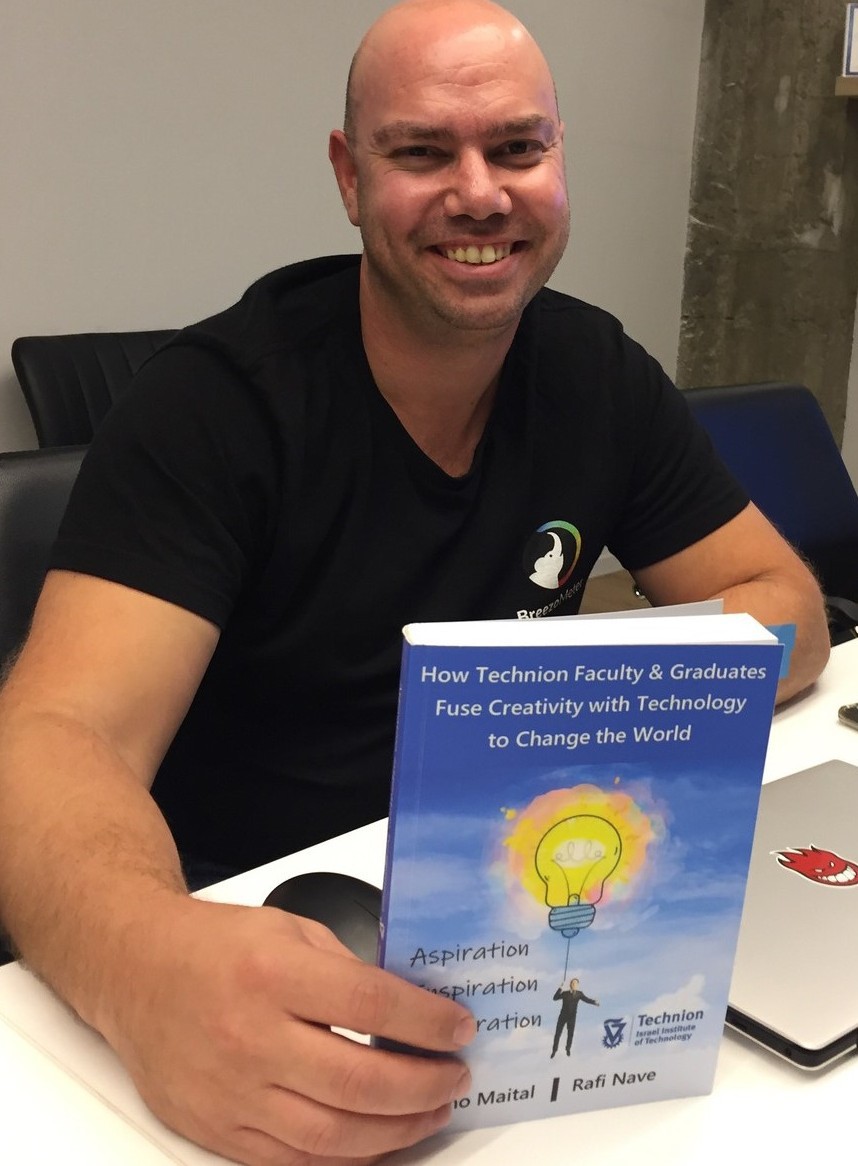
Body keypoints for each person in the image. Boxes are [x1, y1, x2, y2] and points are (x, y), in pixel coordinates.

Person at [0, 1, 829, 1163]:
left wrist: (594, 697)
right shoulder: (210, 407)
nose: (480, 193)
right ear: (349, 176)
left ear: (557, 159)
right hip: (267, 927)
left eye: (517, 147)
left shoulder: (599, 373)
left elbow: (781, 601)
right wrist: (142, 964)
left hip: (534, 914)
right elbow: (51, 734)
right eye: (422, 151)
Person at [551, 978, 599, 1058]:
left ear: (577, 985)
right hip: (562, 1016)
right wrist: (560, 988)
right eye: (572, 983)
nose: (574, 985)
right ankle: (554, 1050)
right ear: (570, 984)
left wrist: (594, 1002)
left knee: (570, 1034)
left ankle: (568, 1049)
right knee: (557, 1034)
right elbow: (555, 998)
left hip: (572, 1017)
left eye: (575, 984)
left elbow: (587, 1000)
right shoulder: (565, 993)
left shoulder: (579, 994)